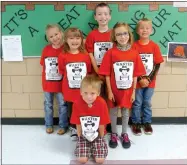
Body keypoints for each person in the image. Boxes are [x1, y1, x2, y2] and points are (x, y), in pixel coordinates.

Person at [99, 22, 146, 149]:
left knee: (125, 112)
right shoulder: (110, 53)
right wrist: (109, 91)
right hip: (114, 90)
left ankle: (124, 133)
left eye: (124, 33)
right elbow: (107, 74)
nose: (122, 37)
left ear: (129, 35)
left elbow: (135, 74)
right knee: (113, 112)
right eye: (118, 34)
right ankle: (114, 133)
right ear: (114, 37)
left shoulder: (134, 53)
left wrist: (133, 91)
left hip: (128, 90)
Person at [131, 18, 164, 135]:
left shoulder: (154, 46)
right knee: (137, 102)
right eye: (141, 28)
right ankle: (135, 122)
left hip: (150, 82)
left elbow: (157, 64)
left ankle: (147, 122)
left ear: (151, 30)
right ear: (137, 31)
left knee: (147, 102)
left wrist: (148, 79)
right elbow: (132, 64)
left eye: (147, 28)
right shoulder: (134, 46)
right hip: (138, 82)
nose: (144, 30)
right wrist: (140, 79)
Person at [58, 27, 91, 140]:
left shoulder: (85, 55)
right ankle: (73, 128)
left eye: (77, 38)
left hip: (83, 90)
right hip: (69, 89)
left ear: (81, 40)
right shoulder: (63, 55)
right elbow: (62, 71)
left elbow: (89, 71)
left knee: (83, 108)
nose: (75, 41)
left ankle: (84, 127)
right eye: (71, 38)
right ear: (66, 40)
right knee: (72, 109)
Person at [85, 2, 113, 133]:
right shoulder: (92, 35)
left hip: (111, 74)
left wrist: (107, 72)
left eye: (106, 14)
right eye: (100, 14)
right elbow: (90, 54)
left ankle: (107, 126)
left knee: (109, 100)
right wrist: (98, 71)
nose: (103, 17)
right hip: (96, 74)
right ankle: (96, 125)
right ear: (95, 17)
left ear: (110, 16)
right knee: (97, 99)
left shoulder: (114, 34)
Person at [70, 75, 110, 164]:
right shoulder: (77, 103)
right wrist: (80, 138)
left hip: (97, 134)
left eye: (92, 93)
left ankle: (96, 147)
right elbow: (78, 124)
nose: (89, 97)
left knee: (100, 161)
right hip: (84, 134)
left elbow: (102, 123)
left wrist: (101, 138)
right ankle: (87, 147)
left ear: (98, 93)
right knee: (82, 160)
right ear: (80, 92)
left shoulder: (102, 103)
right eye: (85, 93)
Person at [40, 24, 68, 135]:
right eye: (51, 36)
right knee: (48, 104)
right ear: (48, 38)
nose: (54, 38)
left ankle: (63, 125)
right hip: (48, 84)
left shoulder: (66, 48)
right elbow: (43, 65)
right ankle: (49, 124)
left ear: (61, 33)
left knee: (63, 104)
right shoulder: (46, 50)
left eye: (56, 34)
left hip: (62, 84)